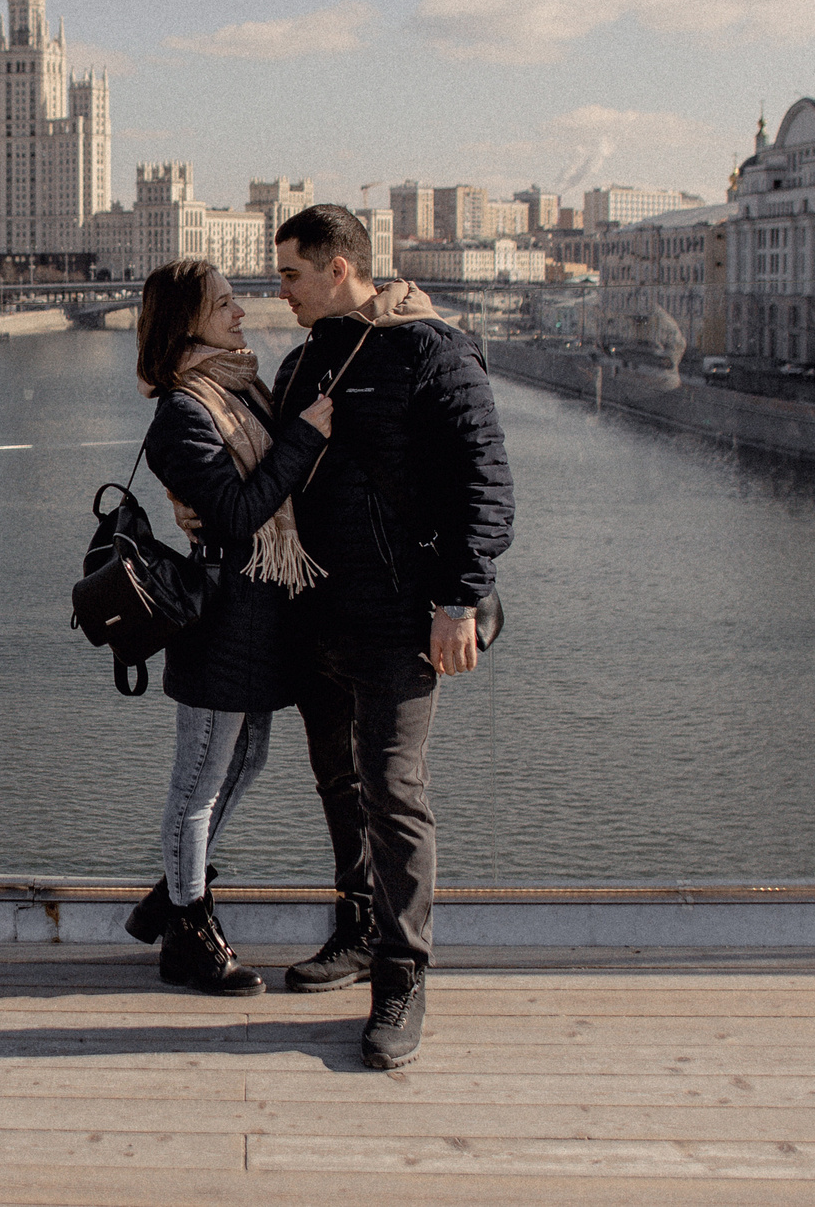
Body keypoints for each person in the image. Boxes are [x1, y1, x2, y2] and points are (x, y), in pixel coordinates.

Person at [267, 205, 512, 1070]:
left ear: (339, 268)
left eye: (290, 274)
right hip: (318, 612)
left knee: (393, 788)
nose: (279, 291)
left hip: (403, 615)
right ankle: (360, 928)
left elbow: (488, 484)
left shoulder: (432, 351)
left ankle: (403, 976)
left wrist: (460, 599)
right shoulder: (304, 362)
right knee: (339, 778)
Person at [123, 258, 334, 995]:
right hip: (221, 617)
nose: (241, 312)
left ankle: (173, 893)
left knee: (246, 764)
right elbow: (242, 517)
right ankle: (189, 933)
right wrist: (303, 439)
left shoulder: (236, 390)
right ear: (187, 323)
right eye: (223, 304)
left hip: (261, 612)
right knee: (200, 780)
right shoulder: (184, 412)